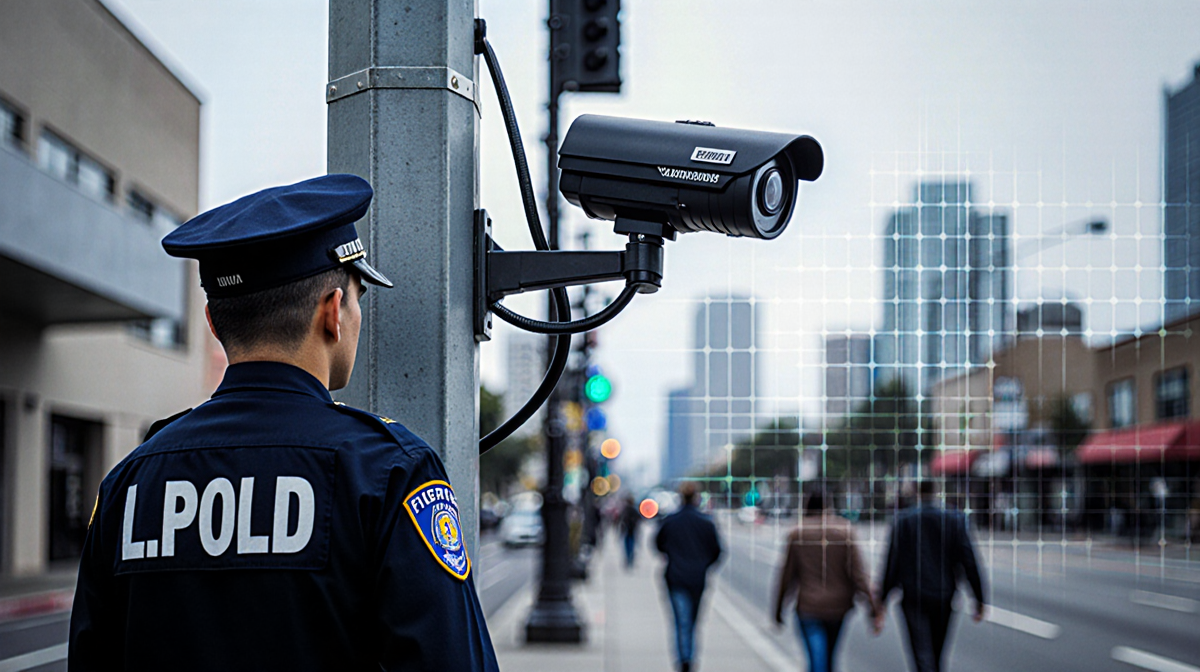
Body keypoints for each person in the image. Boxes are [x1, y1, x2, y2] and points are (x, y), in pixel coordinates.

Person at [68, 174, 498, 671]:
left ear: (212, 321)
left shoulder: (129, 483)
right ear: (334, 312)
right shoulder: (389, 470)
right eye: (358, 297)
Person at [877, 479, 986, 672]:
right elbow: (968, 560)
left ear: (916, 492)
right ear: (936, 491)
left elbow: (892, 563)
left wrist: (881, 601)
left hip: (913, 596)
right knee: (937, 652)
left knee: (921, 654)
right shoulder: (954, 519)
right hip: (943, 595)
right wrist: (979, 597)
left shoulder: (903, 520)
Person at [773, 488, 879, 672]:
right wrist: (873, 607)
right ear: (828, 506)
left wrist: (778, 609)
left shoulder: (797, 534)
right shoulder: (845, 531)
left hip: (808, 606)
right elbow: (858, 574)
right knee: (830, 656)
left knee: (817, 659)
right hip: (839, 607)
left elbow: (787, 576)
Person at [655, 483, 722, 672]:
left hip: (676, 577)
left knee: (681, 621)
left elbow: (658, 545)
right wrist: (703, 566)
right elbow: (717, 551)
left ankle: (684, 659)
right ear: (696, 497)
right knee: (693, 621)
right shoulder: (706, 522)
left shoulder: (670, 521)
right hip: (697, 579)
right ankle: (689, 657)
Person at [619, 494, 641, 568]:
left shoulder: (625, 510)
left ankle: (629, 559)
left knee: (628, 546)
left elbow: (622, 520)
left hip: (628, 530)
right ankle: (630, 558)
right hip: (631, 530)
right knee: (631, 545)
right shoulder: (633, 510)